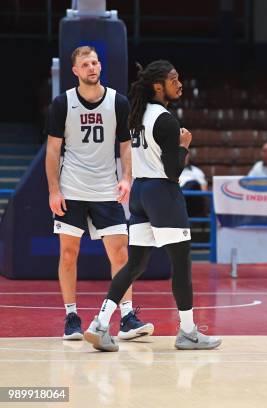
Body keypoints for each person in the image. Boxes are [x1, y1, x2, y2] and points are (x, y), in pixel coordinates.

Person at [83, 60, 221, 352]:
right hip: (162, 192)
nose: (179, 84)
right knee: (181, 264)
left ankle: (100, 323)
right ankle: (188, 332)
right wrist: (184, 145)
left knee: (135, 264)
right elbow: (173, 171)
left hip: (140, 193)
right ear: (158, 86)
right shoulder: (167, 120)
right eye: (174, 80)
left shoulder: (138, 114)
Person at [45, 46, 153, 341]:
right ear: (75, 71)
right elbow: (53, 150)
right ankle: (71, 316)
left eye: (95, 62)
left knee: (120, 254)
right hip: (72, 188)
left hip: (106, 189)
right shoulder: (62, 104)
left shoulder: (117, 101)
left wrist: (127, 178)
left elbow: (125, 145)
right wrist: (54, 190)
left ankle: (127, 317)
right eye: (85, 64)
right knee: (69, 254)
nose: (92, 67)